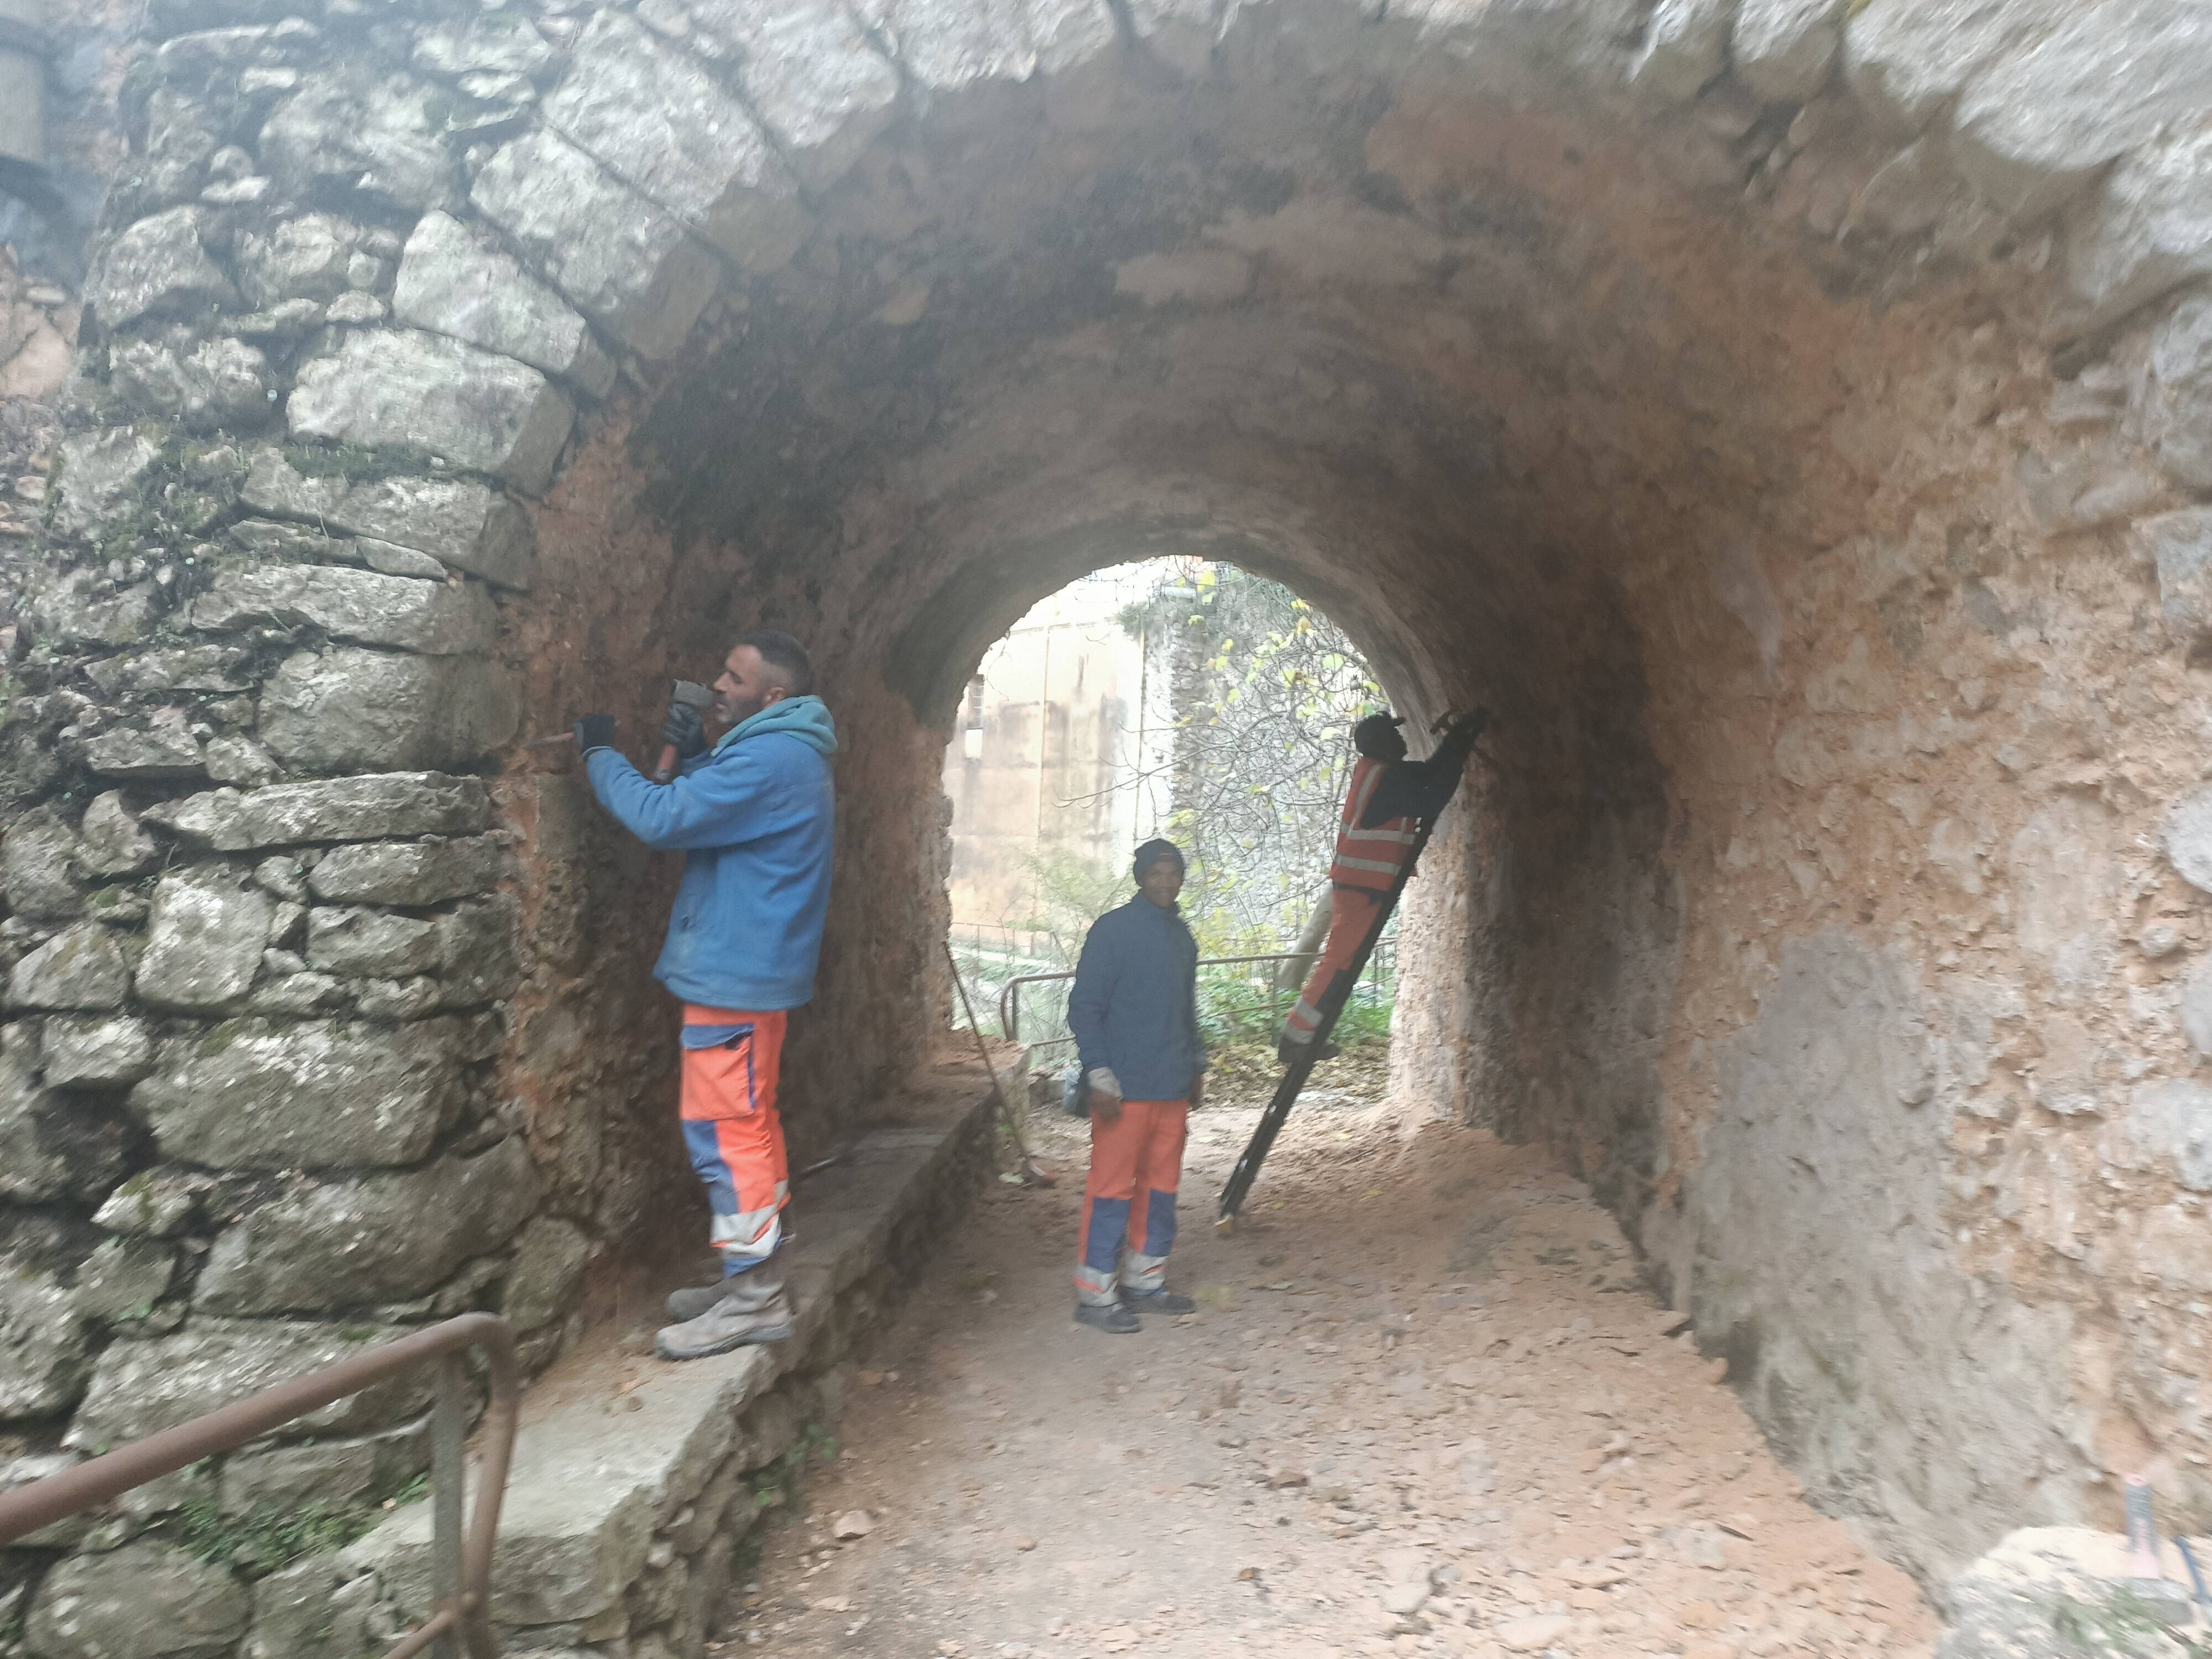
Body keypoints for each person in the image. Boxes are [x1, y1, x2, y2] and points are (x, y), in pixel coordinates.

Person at [572, 629, 838, 1360]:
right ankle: (755, 1272)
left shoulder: (770, 756)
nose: (718, 684)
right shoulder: (782, 752)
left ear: (773, 696)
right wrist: (693, 757)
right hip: (748, 974)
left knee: (728, 1133)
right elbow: (722, 814)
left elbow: (664, 818)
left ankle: (755, 1300)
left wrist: (599, 757)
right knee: (749, 1126)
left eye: (734, 677)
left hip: (735, 976)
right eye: (721, 672)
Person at [1279, 709, 1484, 1066]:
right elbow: (1430, 799)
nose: (1402, 739)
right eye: (1394, 734)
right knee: (1339, 961)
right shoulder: (1386, 781)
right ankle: (1295, 1038)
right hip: (1363, 886)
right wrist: (1460, 757)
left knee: (1342, 960)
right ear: (1381, 744)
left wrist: (1456, 742)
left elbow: (1427, 771)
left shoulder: (1381, 774)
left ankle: (1304, 1034)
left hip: (1362, 884)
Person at [1065, 838, 1207, 1334]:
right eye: (1157, 873)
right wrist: (1098, 1072)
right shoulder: (1112, 933)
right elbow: (1085, 1007)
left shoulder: (1181, 937)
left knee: (1161, 1188)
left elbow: (1186, 1011)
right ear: (1140, 877)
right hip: (1122, 1090)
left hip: (1170, 1086)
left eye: (1174, 874)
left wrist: (1196, 1067)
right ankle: (1096, 1296)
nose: (1166, 882)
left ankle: (1144, 1282)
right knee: (1111, 1190)